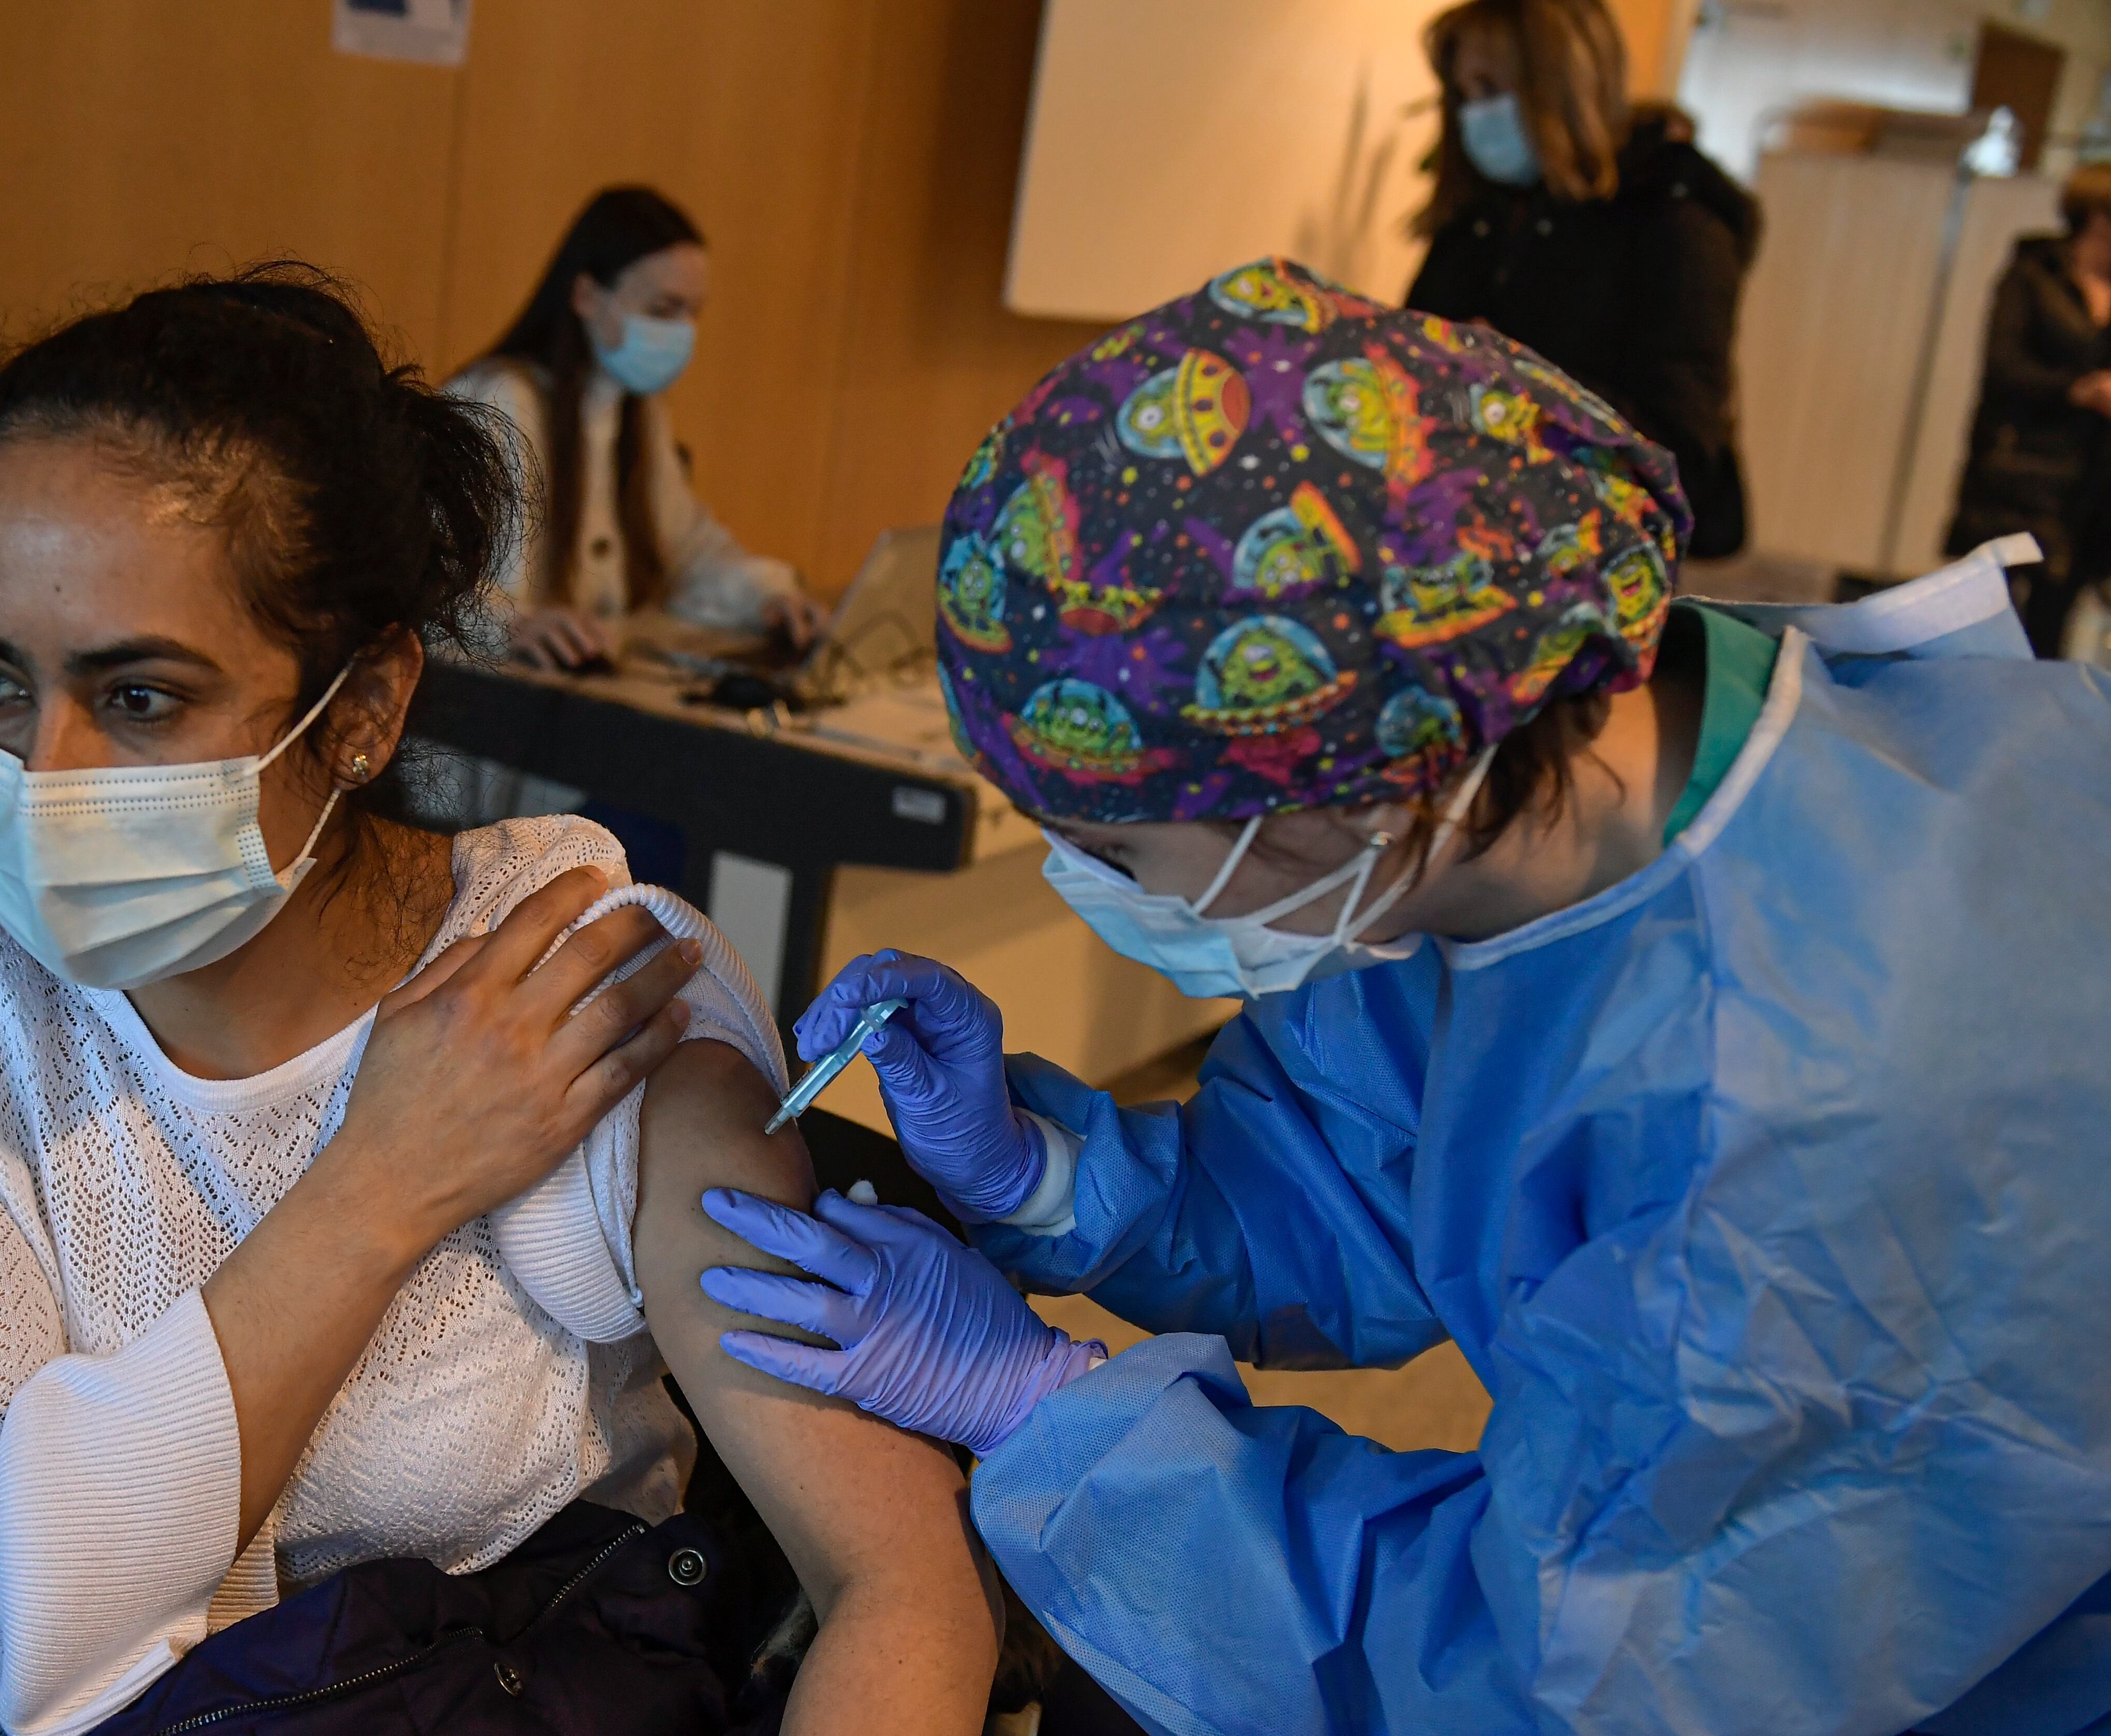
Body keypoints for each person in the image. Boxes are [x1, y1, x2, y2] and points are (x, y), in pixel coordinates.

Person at [699, 259, 2111, 1734]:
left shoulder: (1774, 1147)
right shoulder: (1564, 772)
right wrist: (1043, 1174)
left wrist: (1043, 1413)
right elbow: (1378, 1164)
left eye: (1116, 849)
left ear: (1342, 790)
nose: (1093, 884)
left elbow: (1554, 1684)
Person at [0, 265, 996, 1736]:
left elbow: (901, 1581)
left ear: (362, 707)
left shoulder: (571, 977)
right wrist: (387, 1180)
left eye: (138, 698)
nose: (41, 776)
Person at [1406, 0, 1759, 559]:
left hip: (1581, 559)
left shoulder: (1673, 219)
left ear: (1559, 85)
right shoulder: (1480, 218)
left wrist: (1513, 373)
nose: (1476, 115)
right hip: (1446, 531)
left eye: (1491, 89)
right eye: (1464, 95)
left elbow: (1681, 452)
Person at [448, 186, 822, 670]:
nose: (683, 333)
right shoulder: (496, 399)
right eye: (663, 310)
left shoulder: (636, 407)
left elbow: (684, 551)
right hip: (491, 695)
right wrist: (512, 625)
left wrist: (767, 596)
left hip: (581, 682)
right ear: (586, 296)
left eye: (692, 313)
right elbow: (428, 581)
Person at [1945, 163, 2111, 658]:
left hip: (2091, 486)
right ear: (2096, 216)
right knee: (1986, 623)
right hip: (2019, 470)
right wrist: (2079, 390)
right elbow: (2003, 369)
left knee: (2050, 632)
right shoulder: (2033, 276)